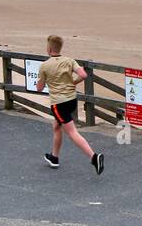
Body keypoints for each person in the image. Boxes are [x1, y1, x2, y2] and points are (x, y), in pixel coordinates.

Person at [36, 35, 104, 175]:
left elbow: (39, 88)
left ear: (48, 48)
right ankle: (54, 157)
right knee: (56, 126)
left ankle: (94, 157)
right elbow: (83, 75)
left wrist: (42, 81)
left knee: (72, 132)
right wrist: (73, 82)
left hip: (58, 103)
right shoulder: (69, 61)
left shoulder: (45, 65)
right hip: (71, 100)